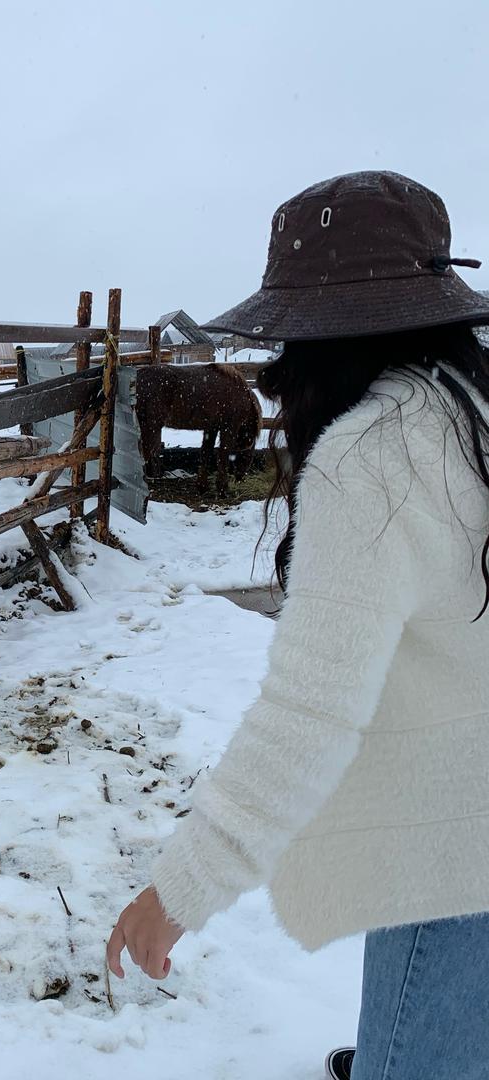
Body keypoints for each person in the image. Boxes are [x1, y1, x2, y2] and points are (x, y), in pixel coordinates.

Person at [105, 171, 489, 1080]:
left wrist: (181, 887)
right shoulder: (469, 410)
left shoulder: (375, 455)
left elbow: (310, 711)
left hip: (455, 849)